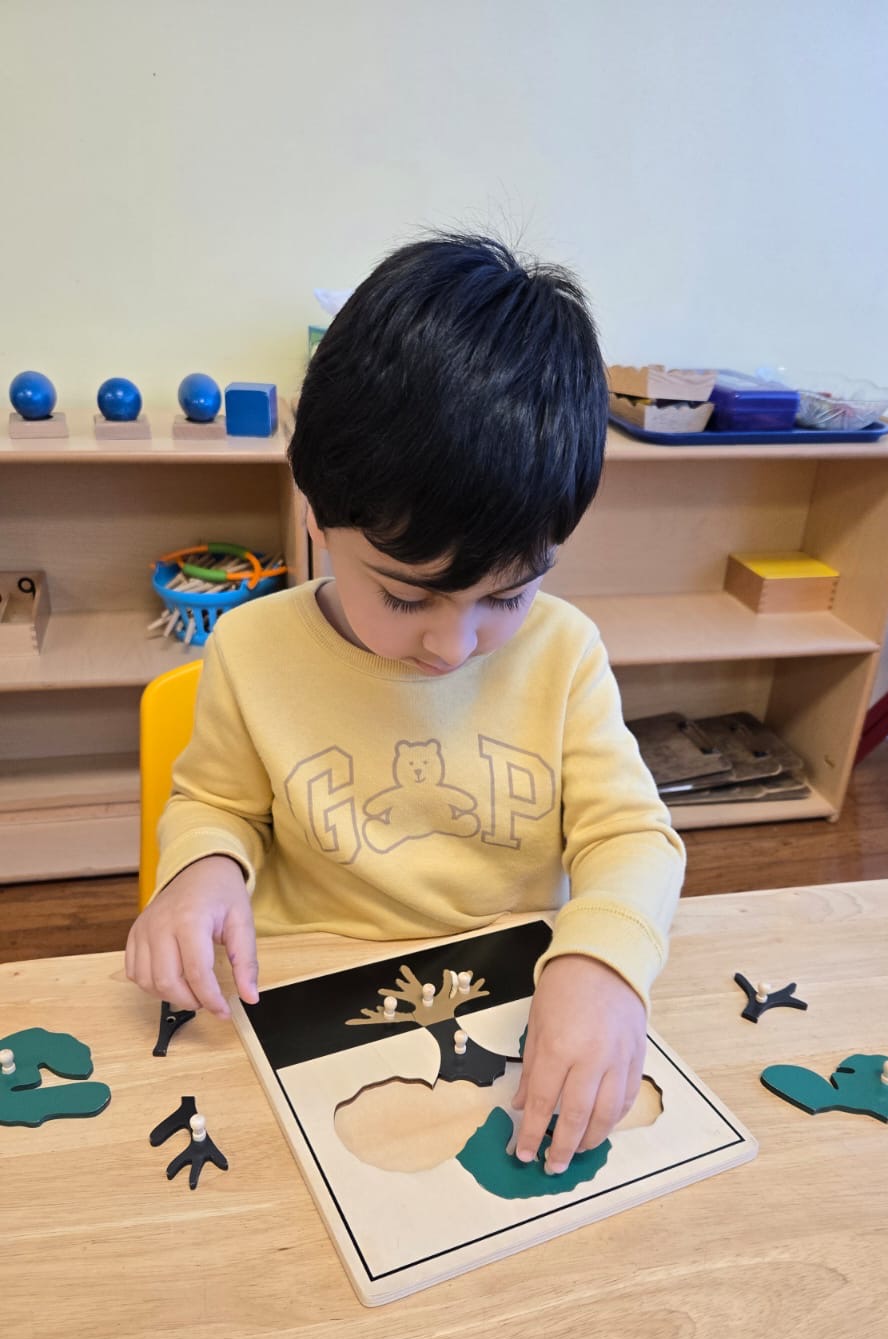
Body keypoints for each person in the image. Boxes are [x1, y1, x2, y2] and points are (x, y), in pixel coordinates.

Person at [126, 233, 686, 1174]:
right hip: (308, 991)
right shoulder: (252, 652)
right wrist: (202, 870)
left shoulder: (565, 655)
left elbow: (632, 836)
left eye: (508, 596)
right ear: (315, 514)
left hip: (516, 990)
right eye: (403, 596)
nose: (453, 646)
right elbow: (216, 804)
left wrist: (600, 964)